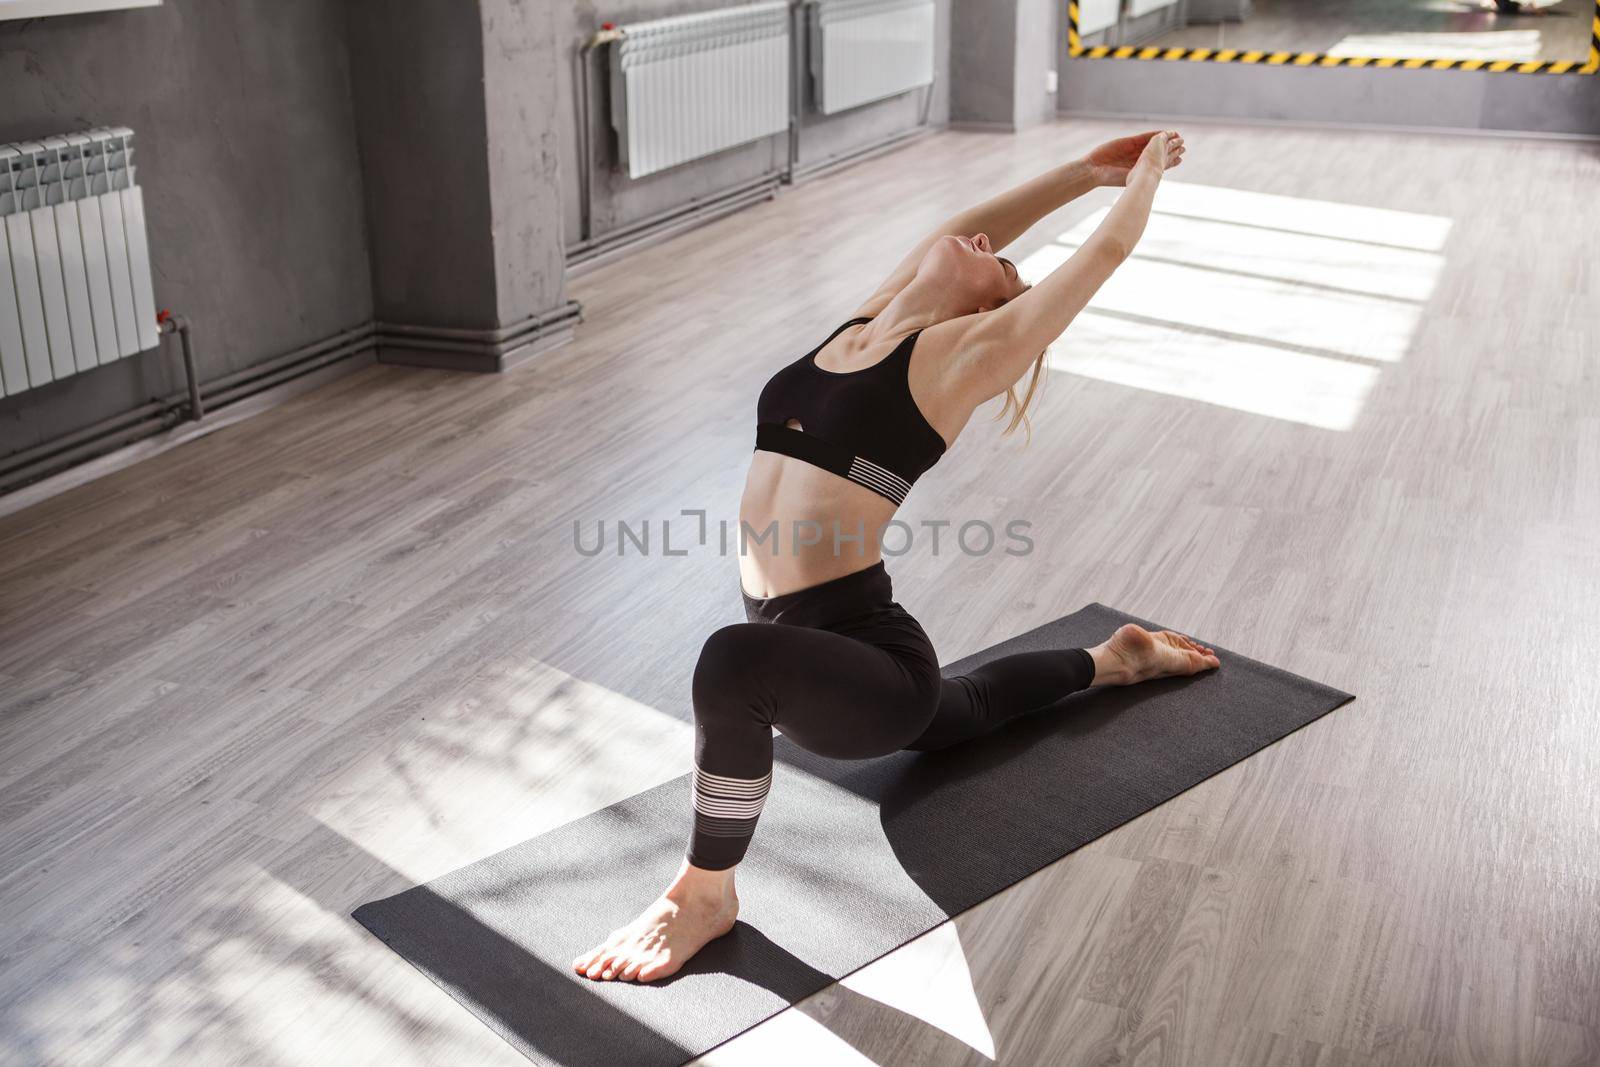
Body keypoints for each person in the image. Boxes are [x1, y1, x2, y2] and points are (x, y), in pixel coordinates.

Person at [574, 130, 1219, 984]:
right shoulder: (867, 325)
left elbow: (1106, 248)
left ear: (987, 313)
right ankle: (1114, 660)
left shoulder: (956, 361)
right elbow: (962, 229)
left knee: (737, 664)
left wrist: (1137, 183)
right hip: (825, 643)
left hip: (867, 657)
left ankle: (705, 891)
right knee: (963, 710)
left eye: (1004, 267)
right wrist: (1080, 173)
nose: (990, 246)